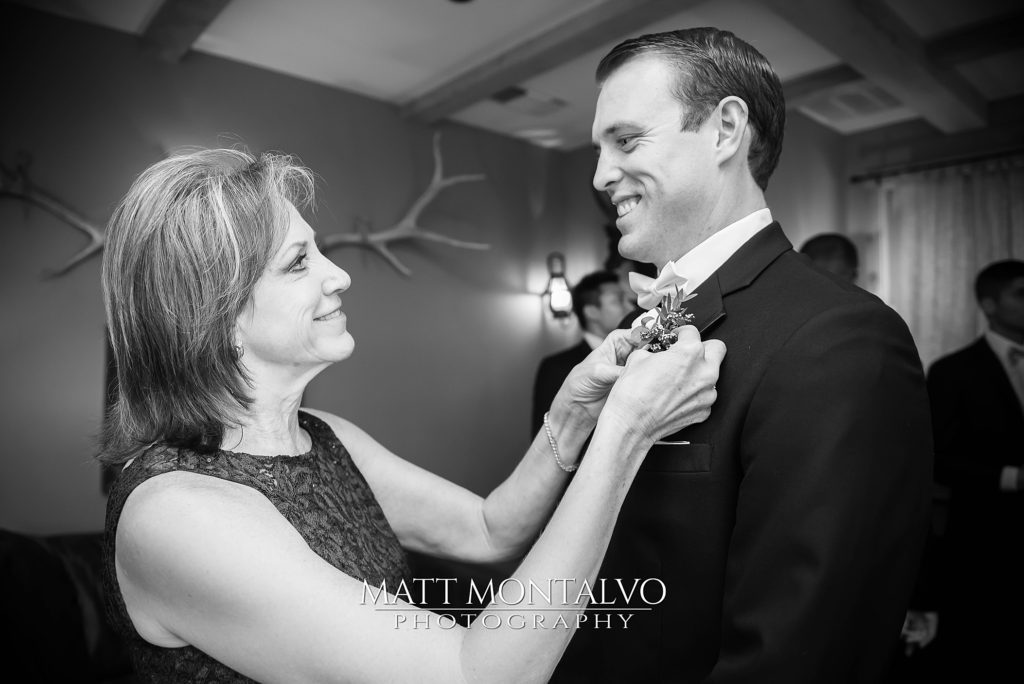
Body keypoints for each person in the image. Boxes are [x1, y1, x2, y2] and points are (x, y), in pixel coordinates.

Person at [97, 149, 725, 683]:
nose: (339, 275)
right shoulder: (178, 514)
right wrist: (625, 433)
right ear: (214, 317)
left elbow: (488, 529)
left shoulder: (324, 437)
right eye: (298, 263)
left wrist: (574, 415)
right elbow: (472, 675)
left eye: (319, 252)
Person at [561, 27, 934, 683]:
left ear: (726, 130)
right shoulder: (638, 325)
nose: (600, 175)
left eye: (626, 141)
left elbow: (797, 653)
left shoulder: (838, 338)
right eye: (599, 149)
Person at [926, 259, 1024, 679]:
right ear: (989, 304)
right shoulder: (953, 372)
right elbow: (937, 457)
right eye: (1021, 294)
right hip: (985, 539)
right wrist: (1012, 477)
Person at [532, 271, 629, 433]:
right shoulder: (556, 367)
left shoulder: (638, 354)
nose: (630, 307)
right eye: (618, 300)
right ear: (591, 311)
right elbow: (545, 432)